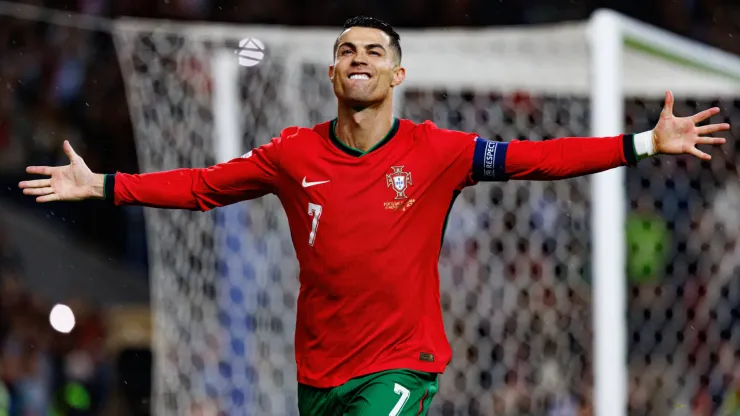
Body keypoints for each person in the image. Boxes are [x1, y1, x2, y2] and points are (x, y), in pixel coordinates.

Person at [19, 16, 729, 416]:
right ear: (332, 75)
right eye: (346, 51)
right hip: (319, 372)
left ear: (397, 76)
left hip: (401, 367)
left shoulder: (436, 152)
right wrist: (106, 186)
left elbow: (536, 157)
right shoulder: (293, 155)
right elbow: (205, 185)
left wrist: (641, 142)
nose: (358, 59)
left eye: (373, 52)